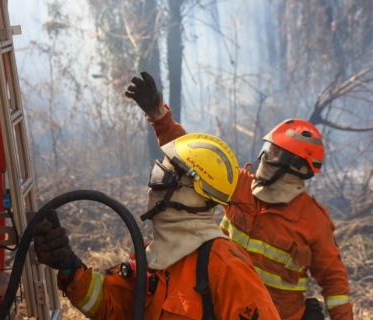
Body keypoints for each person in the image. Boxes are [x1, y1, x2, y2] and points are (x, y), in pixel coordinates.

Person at [125, 71, 353, 320]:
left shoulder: (314, 221)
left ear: (298, 167)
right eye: (268, 148)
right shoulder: (240, 185)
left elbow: (335, 283)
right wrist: (159, 116)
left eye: (276, 153)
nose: (265, 157)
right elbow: (194, 159)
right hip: (221, 307)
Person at [33, 133, 281, 319]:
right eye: (156, 173)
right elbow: (110, 305)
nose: (153, 186)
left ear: (193, 192)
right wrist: (69, 267)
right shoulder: (153, 257)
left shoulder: (226, 266)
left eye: (164, 177)